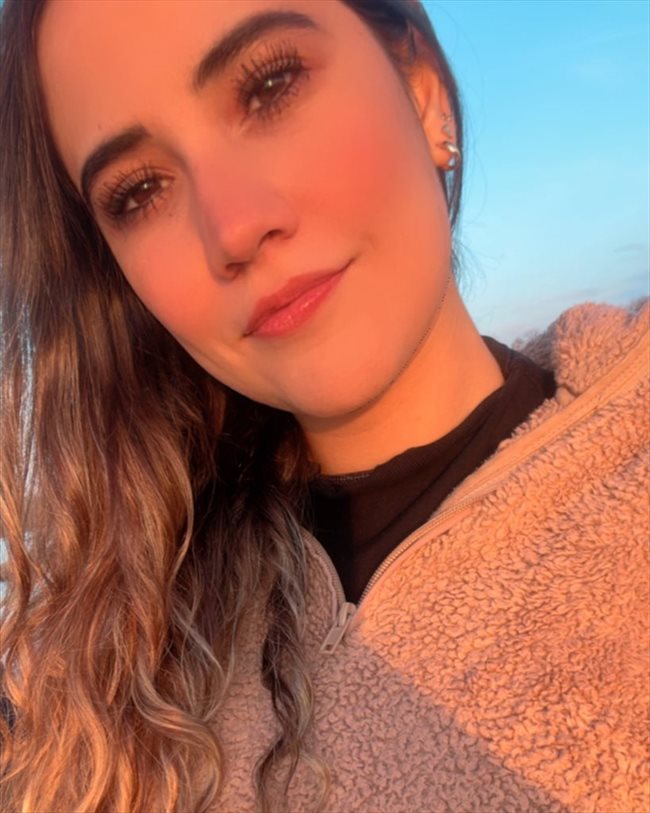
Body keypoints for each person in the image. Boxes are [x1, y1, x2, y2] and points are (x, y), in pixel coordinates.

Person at [0, 0, 647, 811]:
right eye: (138, 191)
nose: (233, 227)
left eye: (270, 86)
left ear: (422, 89)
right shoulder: (105, 680)